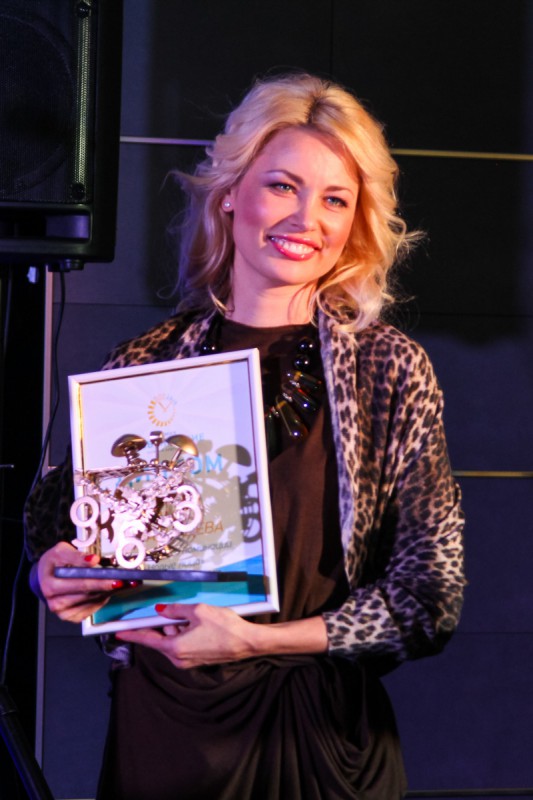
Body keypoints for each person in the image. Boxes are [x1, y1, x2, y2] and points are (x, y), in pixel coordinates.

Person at [24, 72, 465, 799]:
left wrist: (258, 640)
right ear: (230, 192)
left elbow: (428, 600)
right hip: (162, 737)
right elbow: (56, 518)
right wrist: (58, 566)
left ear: (356, 220)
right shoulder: (145, 361)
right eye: (283, 186)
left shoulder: (387, 368)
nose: (306, 219)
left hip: (320, 742)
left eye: (335, 199)